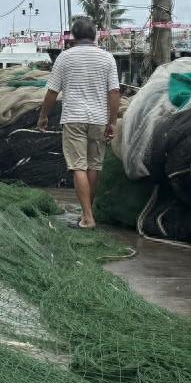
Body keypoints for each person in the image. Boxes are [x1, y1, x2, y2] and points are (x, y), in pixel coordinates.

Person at [37, 17, 120, 229]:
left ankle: (87, 217)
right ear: (95, 35)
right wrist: (113, 121)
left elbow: (52, 91)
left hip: (74, 118)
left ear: (73, 36)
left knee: (78, 167)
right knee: (93, 166)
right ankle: (88, 212)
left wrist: (43, 116)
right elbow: (114, 92)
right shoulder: (107, 58)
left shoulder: (65, 58)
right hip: (99, 119)